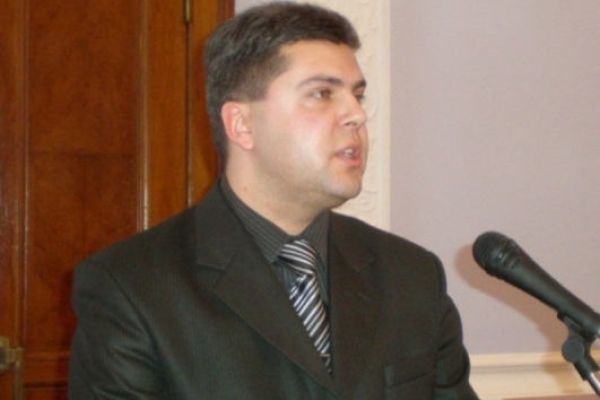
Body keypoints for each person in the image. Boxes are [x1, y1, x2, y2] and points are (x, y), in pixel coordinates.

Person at [68, 2, 479, 399]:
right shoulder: (131, 287)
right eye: (322, 94)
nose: (356, 115)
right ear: (241, 125)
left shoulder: (411, 276)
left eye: (358, 95)